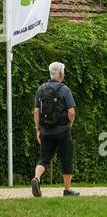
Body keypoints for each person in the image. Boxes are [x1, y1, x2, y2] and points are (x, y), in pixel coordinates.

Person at [31, 62, 80, 197]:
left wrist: (38, 130)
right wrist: (69, 125)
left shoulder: (40, 89)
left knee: (44, 158)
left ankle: (36, 178)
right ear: (60, 74)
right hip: (63, 130)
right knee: (66, 158)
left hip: (46, 130)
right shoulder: (64, 89)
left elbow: (36, 111)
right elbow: (71, 112)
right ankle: (67, 190)